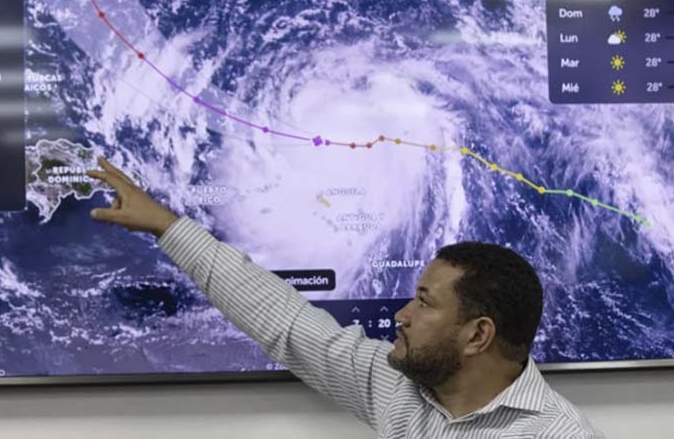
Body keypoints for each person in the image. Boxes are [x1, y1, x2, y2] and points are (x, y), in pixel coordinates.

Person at [88, 156, 603, 438]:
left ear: (478, 334)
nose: (401, 315)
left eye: (424, 303)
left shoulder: (555, 436)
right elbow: (282, 318)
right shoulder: (401, 385)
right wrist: (166, 225)